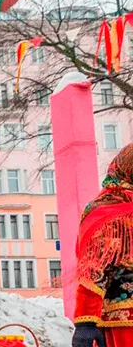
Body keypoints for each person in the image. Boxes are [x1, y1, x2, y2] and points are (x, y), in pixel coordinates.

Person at [73, 143, 133, 347]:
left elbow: (92, 271)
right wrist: (87, 322)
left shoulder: (105, 210)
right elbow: (94, 270)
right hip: (125, 322)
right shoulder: (109, 212)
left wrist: (86, 322)